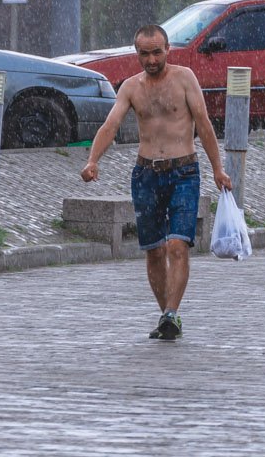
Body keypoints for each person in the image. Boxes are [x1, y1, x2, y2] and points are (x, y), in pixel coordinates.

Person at [80, 24, 233, 340]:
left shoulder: (185, 78)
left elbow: (204, 125)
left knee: (177, 244)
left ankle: (172, 313)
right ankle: (168, 316)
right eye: (144, 53)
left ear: (168, 50)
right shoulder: (131, 88)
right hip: (146, 175)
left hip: (184, 172)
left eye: (156, 52)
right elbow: (111, 125)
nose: (151, 59)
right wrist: (93, 160)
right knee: (153, 250)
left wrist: (219, 169)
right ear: (136, 53)